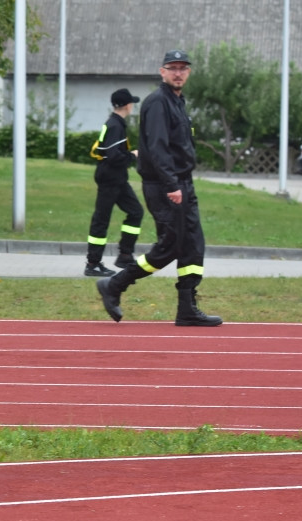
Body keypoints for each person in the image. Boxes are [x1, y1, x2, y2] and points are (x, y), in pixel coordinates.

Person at [96, 51, 222, 327]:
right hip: (166, 186)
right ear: (162, 71)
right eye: (172, 68)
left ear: (188, 73)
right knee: (170, 244)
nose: (178, 73)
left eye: (183, 68)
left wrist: (180, 183)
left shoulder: (178, 102)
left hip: (182, 183)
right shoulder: (157, 103)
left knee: (192, 243)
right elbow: (158, 147)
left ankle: (187, 308)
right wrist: (171, 184)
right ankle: (115, 285)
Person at [84, 88, 145, 277]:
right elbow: (112, 156)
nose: (132, 106)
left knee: (135, 211)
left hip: (118, 179)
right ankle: (93, 264)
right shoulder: (115, 125)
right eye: (132, 103)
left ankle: (125, 255)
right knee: (101, 220)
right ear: (127, 105)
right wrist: (132, 155)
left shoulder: (116, 123)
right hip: (110, 179)